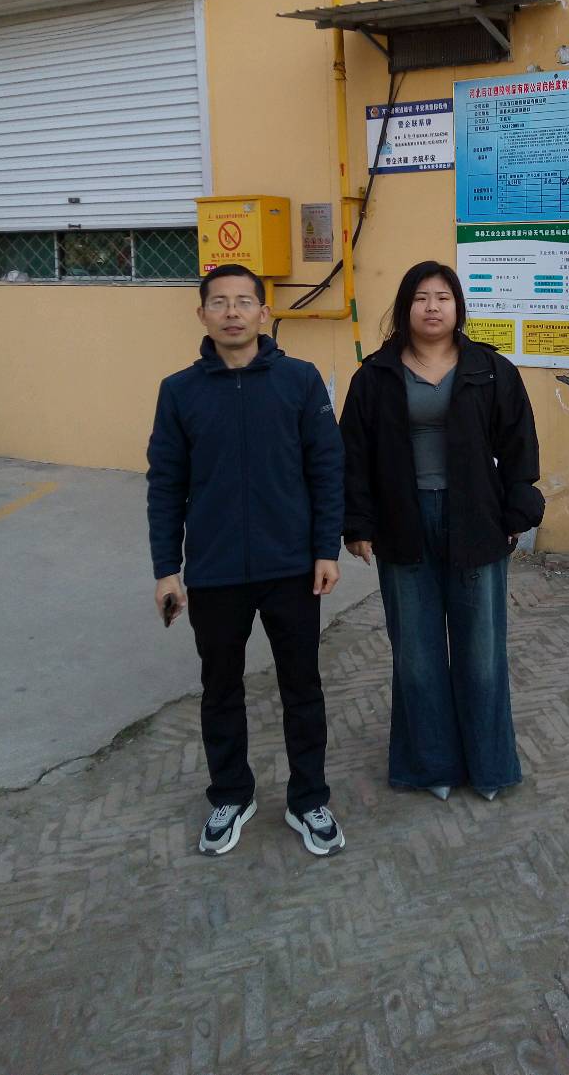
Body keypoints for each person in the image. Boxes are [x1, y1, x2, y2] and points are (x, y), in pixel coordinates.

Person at [147, 264, 346, 857]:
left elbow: (326, 469)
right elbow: (165, 485)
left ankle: (309, 800)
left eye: (243, 302)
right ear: (202, 313)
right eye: (219, 302)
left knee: (302, 687)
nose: (231, 312)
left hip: (292, 567)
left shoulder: (300, 381)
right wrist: (167, 568)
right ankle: (231, 794)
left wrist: (325, 549)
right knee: (220, 689)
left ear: (264, 312)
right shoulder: (179, 391)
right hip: (215, 572)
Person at [340, 261, 543, 802]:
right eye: (421, 297)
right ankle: (430, 764)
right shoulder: (375, 375)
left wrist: (516, 512)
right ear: (405, 307)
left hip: (475, 519)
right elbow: (353, 455)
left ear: (458, 307)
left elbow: (519, 444)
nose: (432, 307)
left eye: (443, 297)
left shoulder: (490, 370)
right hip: (402, 522)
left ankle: (490, 766)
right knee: (417, 652)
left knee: (481, 652)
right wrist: (357, 524)